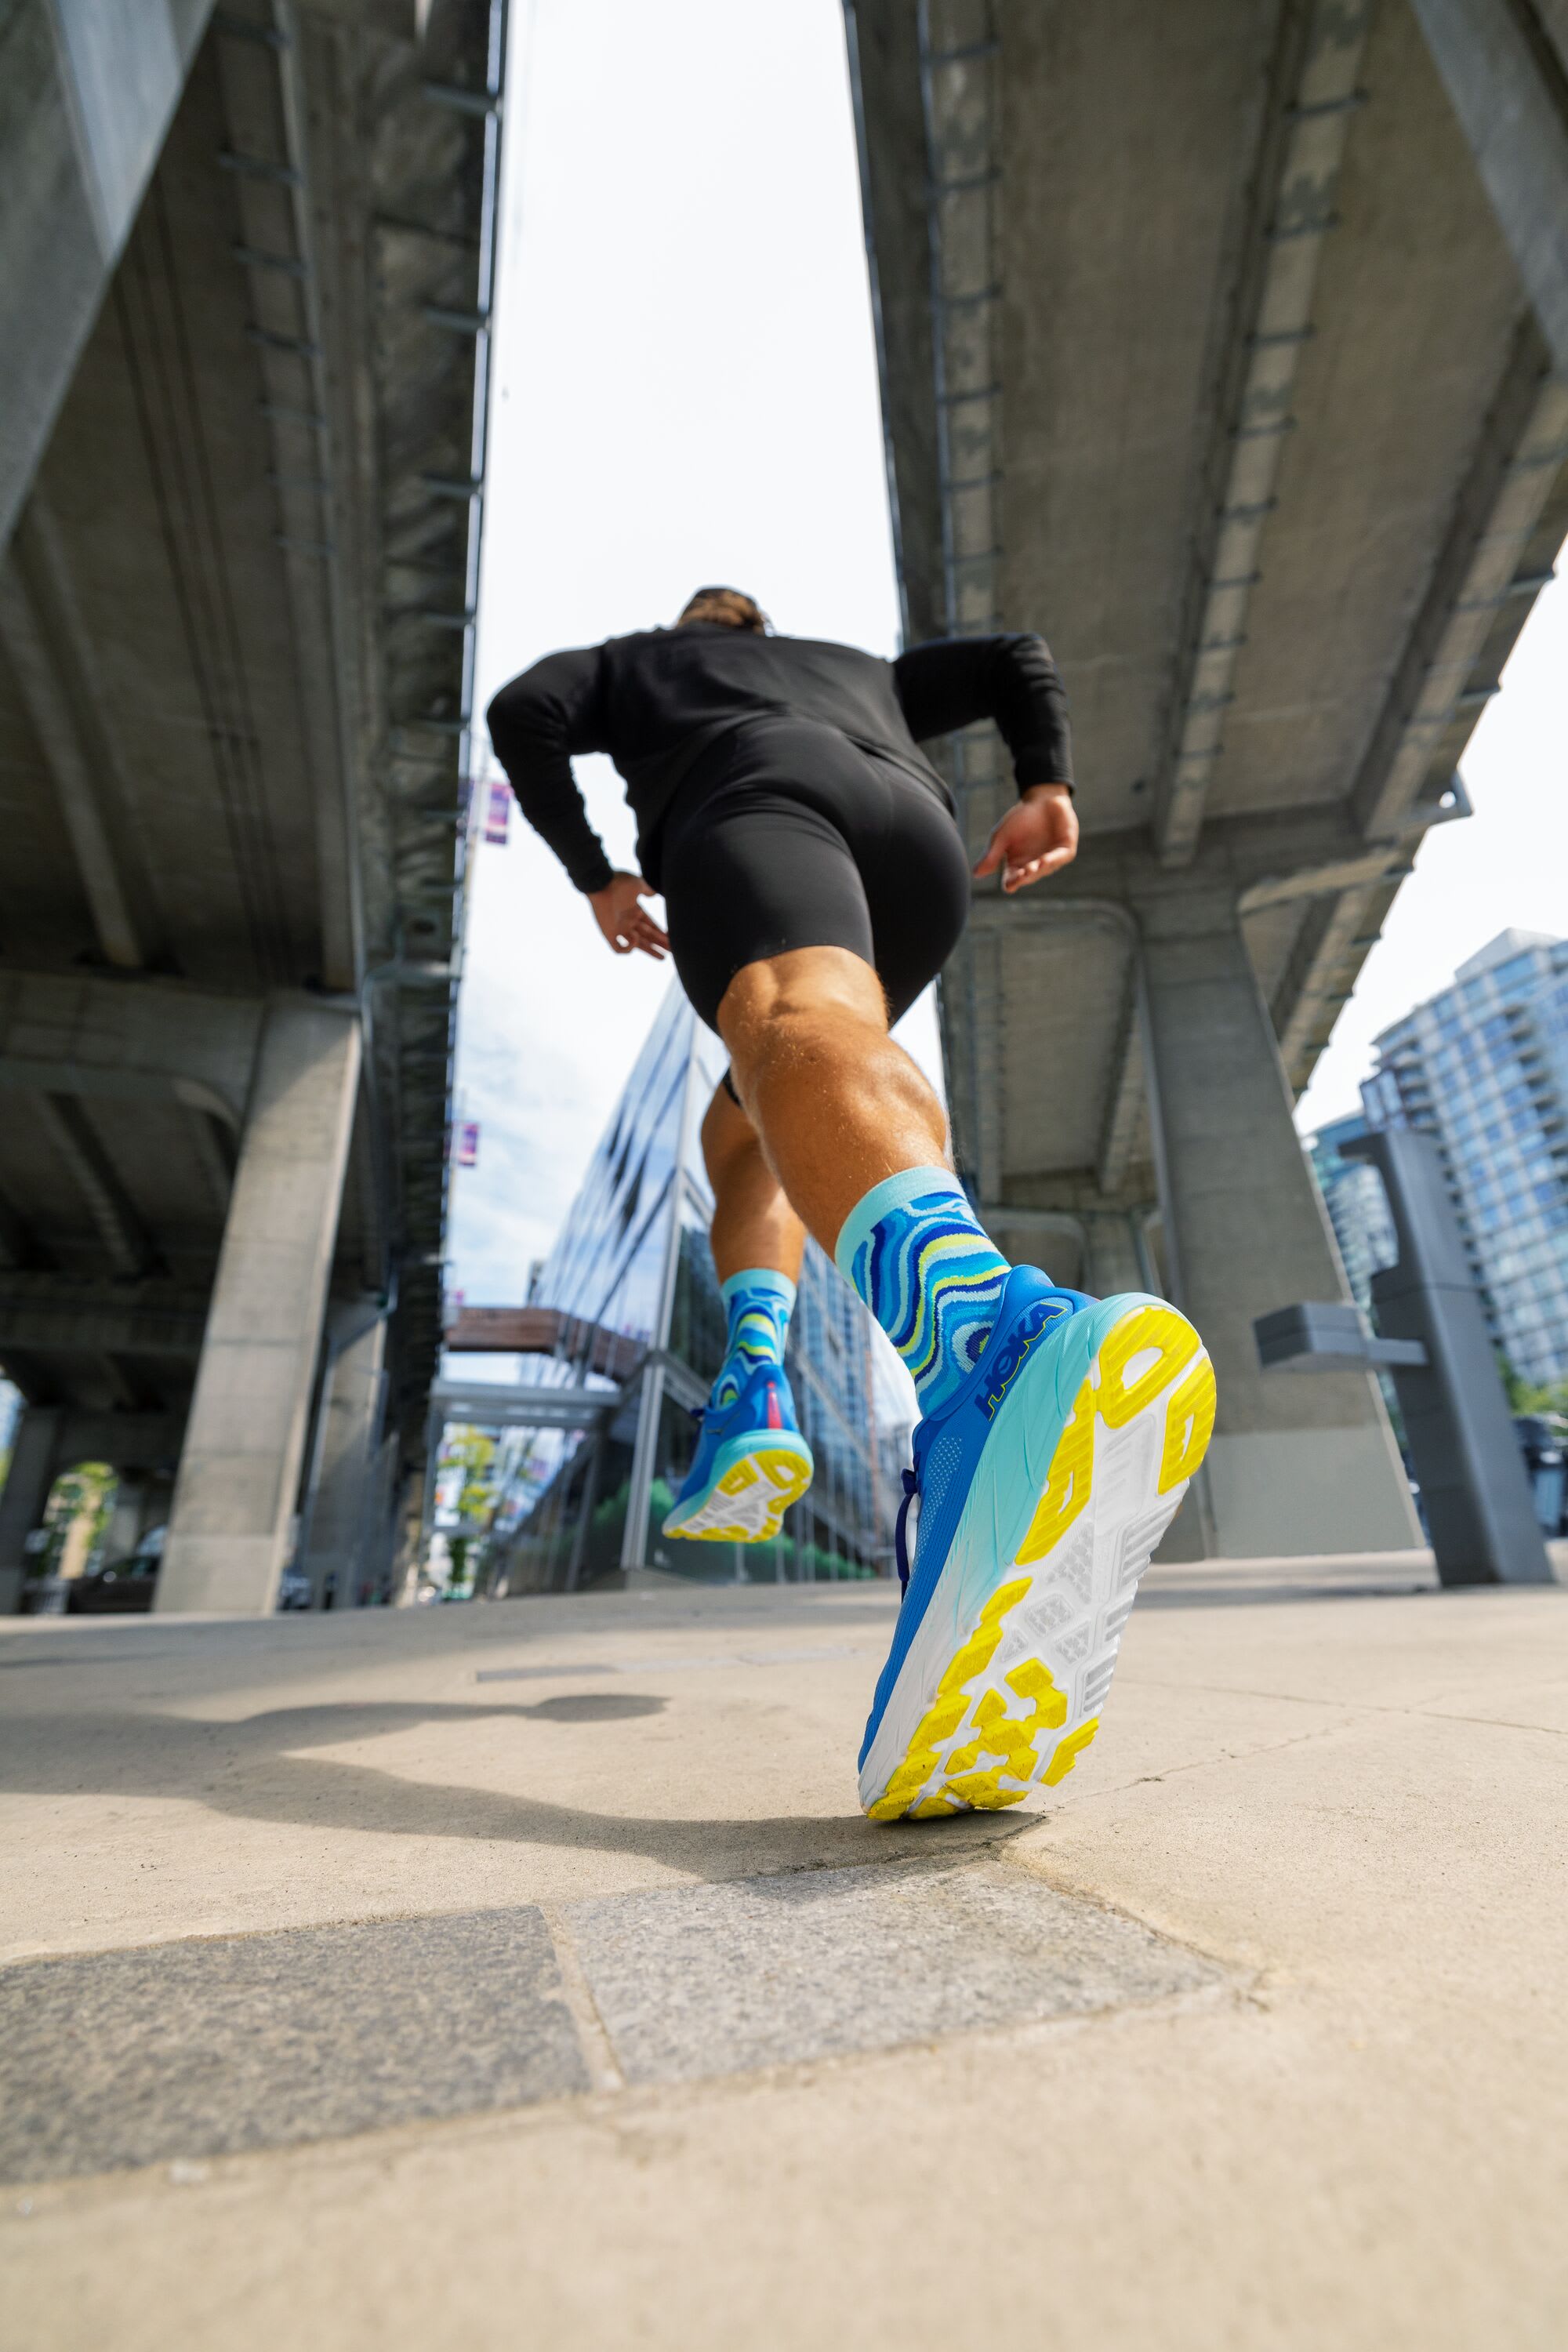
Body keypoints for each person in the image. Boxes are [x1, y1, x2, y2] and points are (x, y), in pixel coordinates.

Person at [487, 588, 1214, 1820]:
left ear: (696, 626)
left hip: (756, 801)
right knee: (755, 1127)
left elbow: (523, 712)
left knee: (788, 1022)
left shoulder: (639, 667)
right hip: (914, 846)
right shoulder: (859, 666)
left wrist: (597, 874)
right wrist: (1048, 784)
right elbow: (1010, 656)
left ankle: (986, 1338)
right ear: (766, 631)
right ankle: (754, 1379)